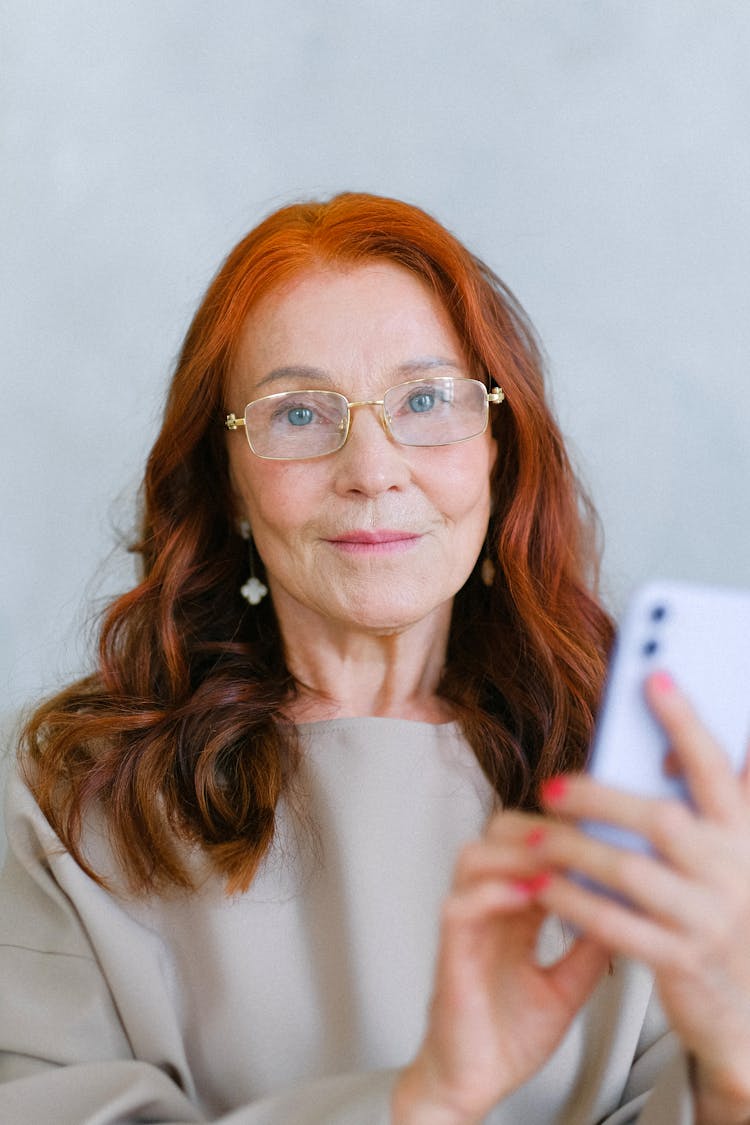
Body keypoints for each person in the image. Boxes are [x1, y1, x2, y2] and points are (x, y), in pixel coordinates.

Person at [1, 193, 748, 1125]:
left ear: (497, 452)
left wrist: (734, 1074)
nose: (372, 467)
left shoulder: (654, 782)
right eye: (300, 413)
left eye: (426, 399)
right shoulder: (68, 799)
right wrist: (422, 1102)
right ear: (224, 478)